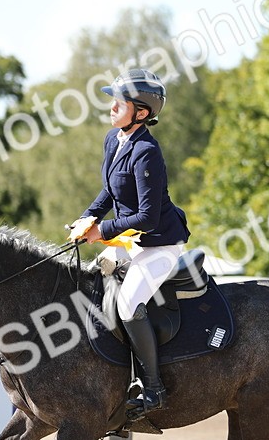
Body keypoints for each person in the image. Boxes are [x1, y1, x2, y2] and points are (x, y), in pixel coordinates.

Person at [68, 69, 190, 418]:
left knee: (127, 304)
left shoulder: (147, 151)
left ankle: (153, 388)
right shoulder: (114, 139)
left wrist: (102, 231)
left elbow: (149, 218)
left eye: (118, 103)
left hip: (159, 243)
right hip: (129, 240)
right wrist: (88, 217)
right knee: (92, 282)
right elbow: (109, 189)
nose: (111, 107)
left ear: (141, 112)